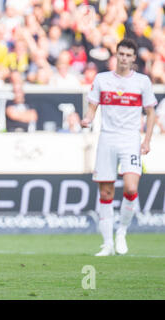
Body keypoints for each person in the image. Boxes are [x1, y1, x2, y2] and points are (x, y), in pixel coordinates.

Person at [81, 38, 157, 256]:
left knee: (131, 188)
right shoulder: (102, 79)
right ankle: (107, 244)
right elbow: (93, 107)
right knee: (105, 192)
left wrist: (147, 140)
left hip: (130, 139)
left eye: (128, 55)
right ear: (116, 55)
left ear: (134, 58)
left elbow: (150, 112)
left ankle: (122, 230)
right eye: (121, 54)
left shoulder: (142, 81)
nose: (123, 58)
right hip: (107, 138)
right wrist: (87, 119)